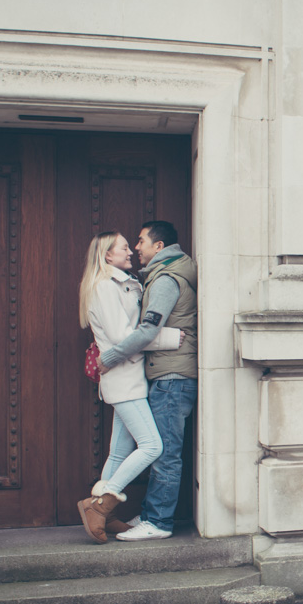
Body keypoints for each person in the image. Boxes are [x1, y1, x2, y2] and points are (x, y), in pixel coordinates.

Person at [76, 232, 182, 543]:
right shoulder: (104, 287)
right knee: (152, 446)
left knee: (120, 451)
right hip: (124, 380)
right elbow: (125, 339)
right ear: (107, 256)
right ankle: (99, 504)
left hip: (131, 377)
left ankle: (105, 515)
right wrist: (170, 339)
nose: (131, 251)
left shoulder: (122, 282)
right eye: (124, 247)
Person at [95, 220, 198, 542]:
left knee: (162, 451)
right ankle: (140, 513)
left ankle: (157, 522)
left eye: (139, 241)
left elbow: (147, 331)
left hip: (171, 376)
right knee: (150, 448)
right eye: (130, 244)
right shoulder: (157, 276)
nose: (136, 248)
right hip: (166, 374)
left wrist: (110, 357)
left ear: (159, 246)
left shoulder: (166, 278)